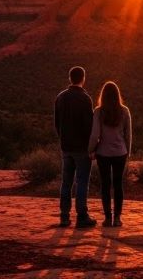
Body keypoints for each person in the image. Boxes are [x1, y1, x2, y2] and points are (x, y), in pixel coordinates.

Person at [54, 66, 97, 228]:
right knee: (81, 181)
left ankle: (64, 217)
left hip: (66, 147)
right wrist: (93, 147)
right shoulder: (85, 98)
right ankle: (82, 216)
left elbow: (57, 124)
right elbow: (89, 126)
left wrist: (63, 140)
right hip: (81, 148)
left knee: (66, 182)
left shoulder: (60, 97)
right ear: (83, 78)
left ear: (70, 78)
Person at [88, 81, 133, 228]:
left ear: (103, 95)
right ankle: (117, 219)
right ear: (117, 94)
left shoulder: (98, 111)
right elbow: (128, 135)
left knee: (105, 184)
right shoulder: (124, 111)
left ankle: (107, 218)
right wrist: (128, 152)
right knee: (118, 184)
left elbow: (95, 135)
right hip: (120, 152)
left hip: (103, 153)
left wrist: (90, 150)